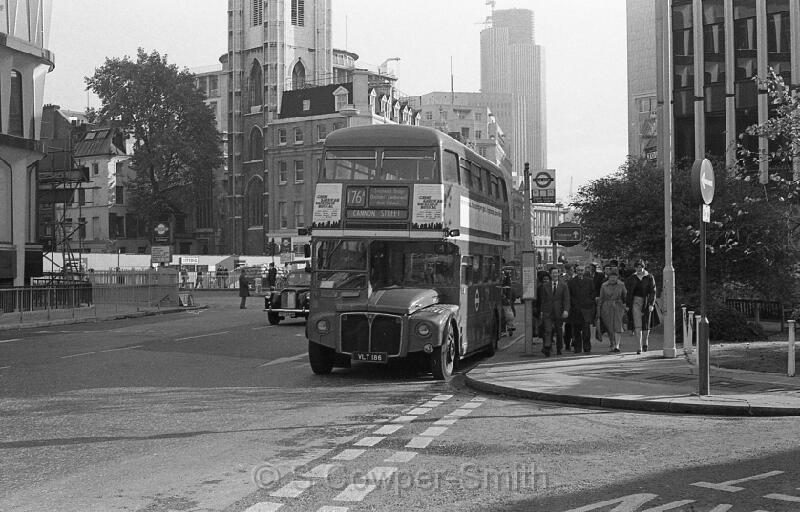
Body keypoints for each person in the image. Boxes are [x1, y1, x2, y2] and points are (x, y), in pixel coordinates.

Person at [625, 259, 658, 354]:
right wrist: (628, 305)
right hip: (635, 302)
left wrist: (651, 304)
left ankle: (645, 342)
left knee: (646, 324)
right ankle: (639, 347)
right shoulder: (632, 278)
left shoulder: (649, 277)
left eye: (640, 267)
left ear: (643, 267)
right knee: (637, 324)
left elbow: (653, 291)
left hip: (647, 301)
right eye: (637, 267)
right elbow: (629, 292)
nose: (639, 269)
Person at [538, 267, 570, 357]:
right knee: (548, 330)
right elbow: (543, 300)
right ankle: (547, 347)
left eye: (556, 273)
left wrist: (566, 310)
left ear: (558, 274)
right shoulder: (545, 286)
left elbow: (566, 299)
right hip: (547, 311)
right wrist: (541, 311)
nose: (555, 275)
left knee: (559, 331)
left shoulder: (563, 285)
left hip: (559, 311)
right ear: (550, 274)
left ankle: (559, 348)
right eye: (553, 273)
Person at [568, 265, 596, 353]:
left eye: (582, 270)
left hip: (586, 309)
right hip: (575, 309)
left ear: (584, 271)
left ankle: (587, 347)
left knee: (586, 330)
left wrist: (589, 301)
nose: (580, 272)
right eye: (578, 270)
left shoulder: (589, 281)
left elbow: (593, 293)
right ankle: (577, 348)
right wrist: (574, 303)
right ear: (576, 271)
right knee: (576, 330)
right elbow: (569, 294)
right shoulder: (571, 281)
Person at [599, 269, 628, 353]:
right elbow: (601, 298)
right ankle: (612, 344)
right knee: (610, 327)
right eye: (611, 277)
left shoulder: (621, 284)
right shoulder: (604, 285)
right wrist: (598, 309)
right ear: (608, 277)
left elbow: (625, 295)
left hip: (618, 306)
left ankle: (617, 346)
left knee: (618, 326)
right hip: (606, 307)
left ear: (617, 277)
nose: (612, 279)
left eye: (614, 277)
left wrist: (626, 305)